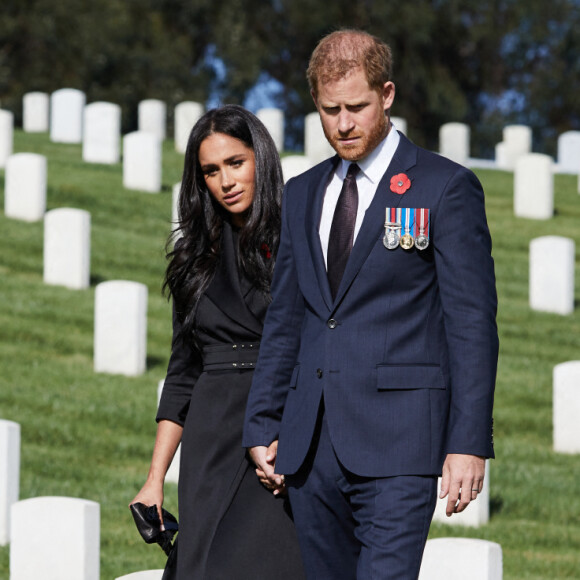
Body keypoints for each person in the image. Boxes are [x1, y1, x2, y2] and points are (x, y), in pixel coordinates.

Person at [243, 30, 499, 579]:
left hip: (402, 443)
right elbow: (286, 317)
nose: (343, 123)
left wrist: (468, 442)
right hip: (310, 446)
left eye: (356, 106)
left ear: (386, 94)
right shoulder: (304, 193)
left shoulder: (444, 187)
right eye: (329, 110)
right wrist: (262, 422)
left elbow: (471, 323)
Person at [131, 104, 304, 580]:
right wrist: (154, 481)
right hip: (211, 435)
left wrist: (289, 434)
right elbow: (183, 372)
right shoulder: (193, 257)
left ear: (260, 159)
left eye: (235, 163)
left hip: (278, 425)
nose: (225, 180)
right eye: (210, 170)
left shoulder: (301, 240)